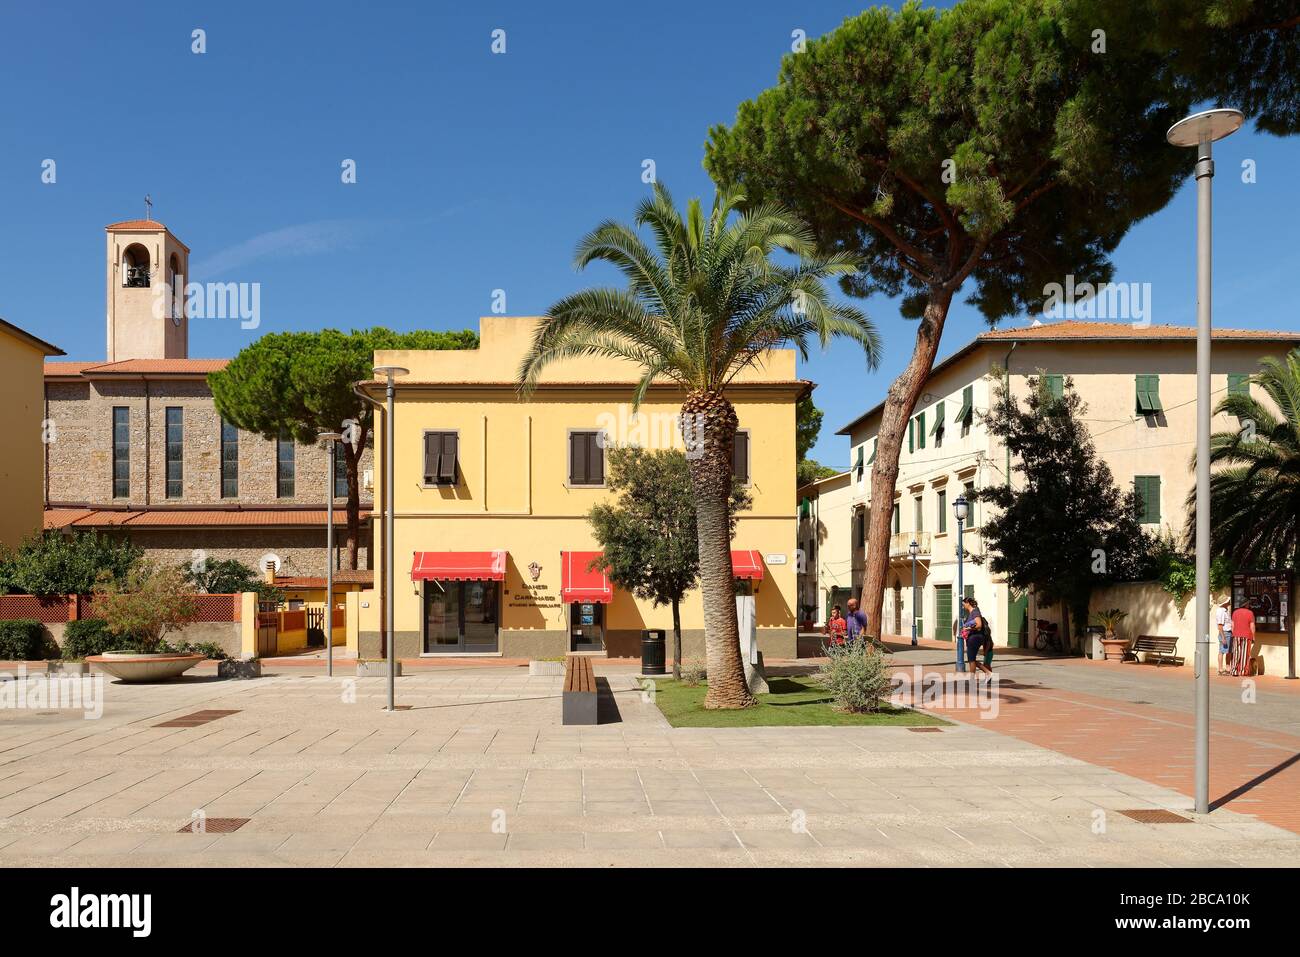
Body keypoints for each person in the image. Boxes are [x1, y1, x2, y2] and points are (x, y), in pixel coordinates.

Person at [961, 595, 993, 679]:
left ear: (968, 603)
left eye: (964, 604)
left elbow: (979, 625)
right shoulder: (971, 613)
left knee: (971, 660)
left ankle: (974, 678)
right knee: (972, 659)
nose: (963, 606)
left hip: (975, 638)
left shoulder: (975, 612)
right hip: (973, 638)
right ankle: (987, 672)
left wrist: (967, 628)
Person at [1230, 598, 1257, 677]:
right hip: (1246, 635)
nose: (1249, 605)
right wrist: (1253, 637)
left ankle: (1234, 671)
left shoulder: (1235, 612)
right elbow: (1252, 626)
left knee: (1236, 653)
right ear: (1245, 604)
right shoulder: (1250, 613)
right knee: (1245, 654)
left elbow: (1232, 626)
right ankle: (1242, 671)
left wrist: (1234, 633)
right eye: (1248, 604)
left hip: (1236, 635)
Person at [1215, 596, 1234, 675]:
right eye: (1228, 601)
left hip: (1228, 633)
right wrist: (1223, 637)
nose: (1229, 602)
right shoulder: (1221, 611)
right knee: (1222, 651)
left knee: (1228, 651)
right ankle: (1220, 669)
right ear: (1225, 603)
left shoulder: (1225, 610)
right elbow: (1220, 625)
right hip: (1225, 633)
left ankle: (1227, 668)